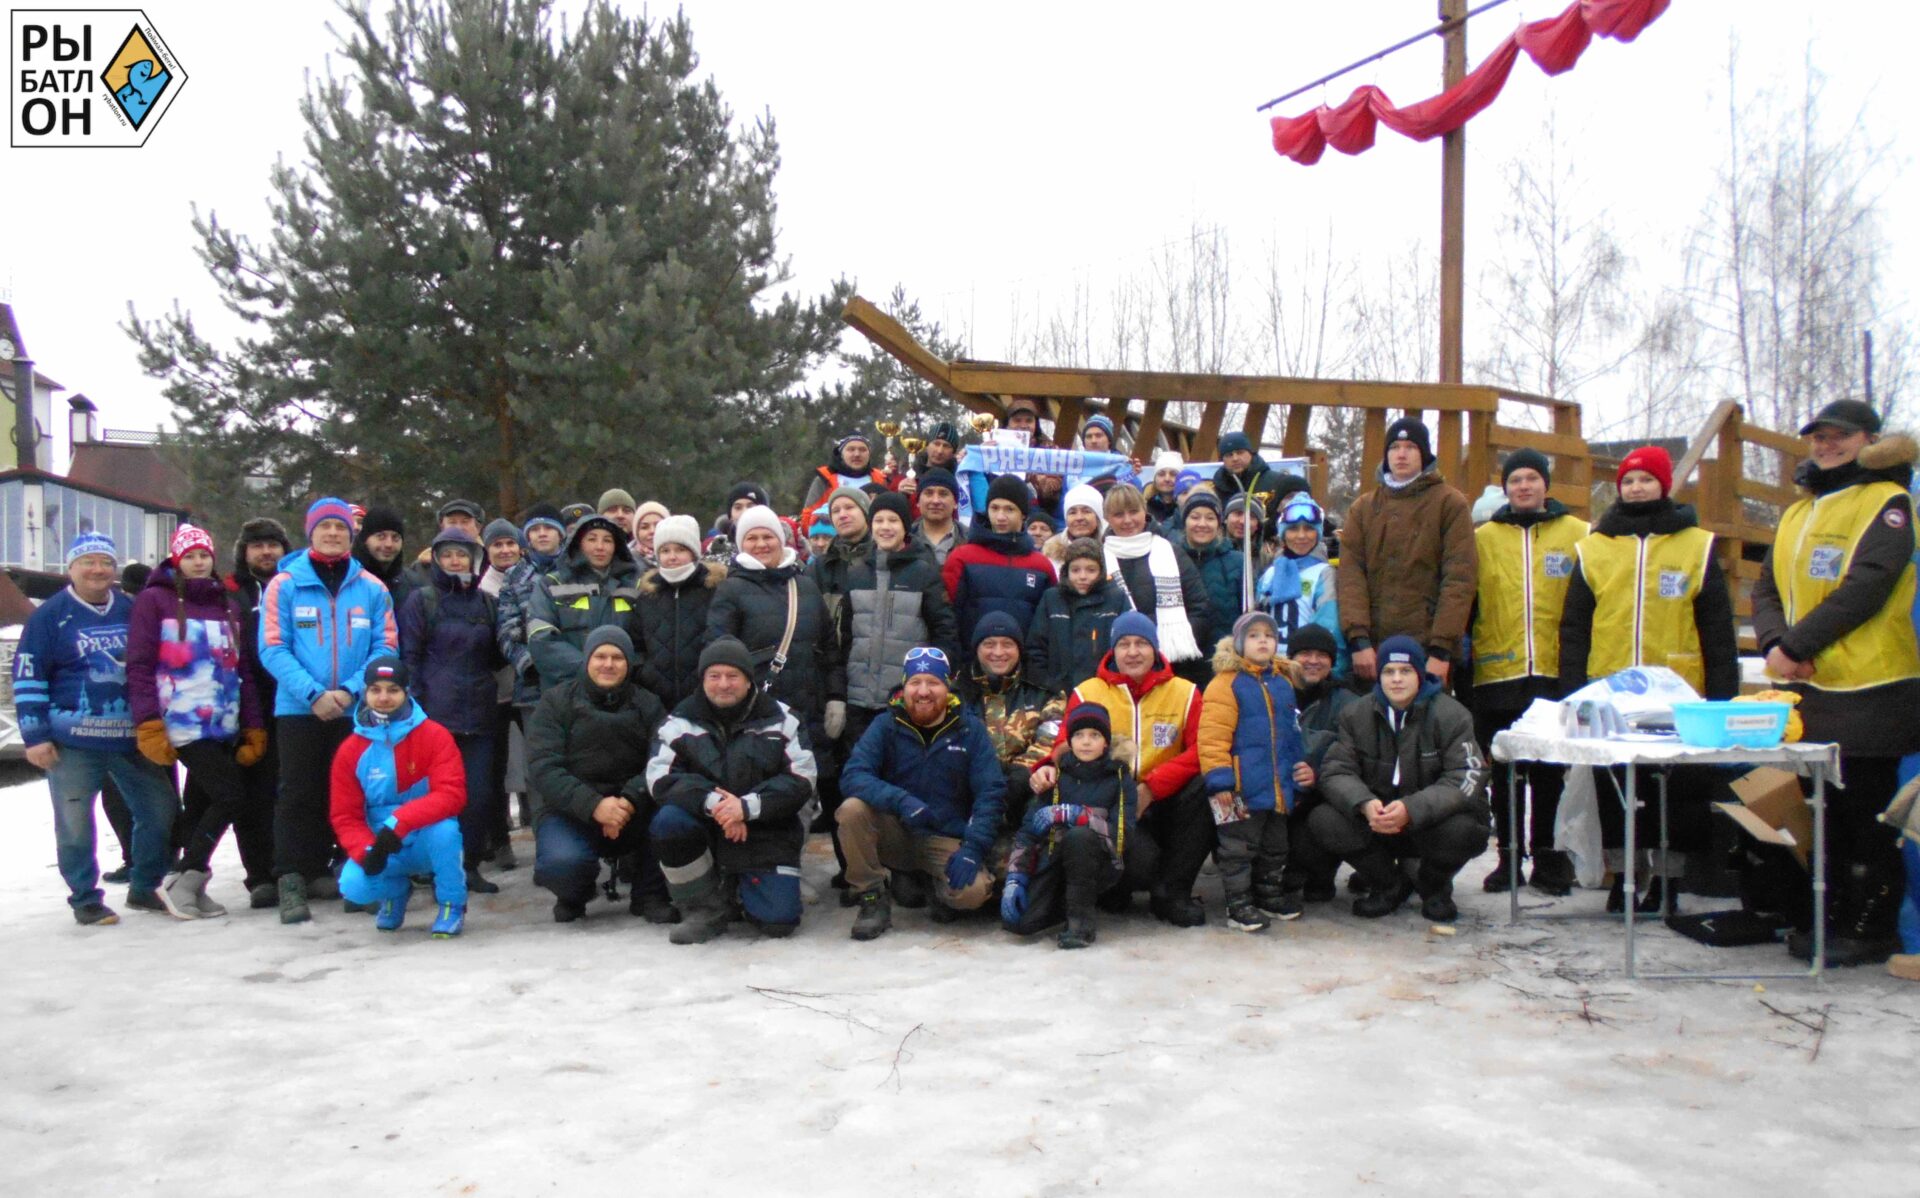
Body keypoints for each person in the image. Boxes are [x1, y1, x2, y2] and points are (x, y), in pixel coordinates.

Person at [1752, 402, 1920, 966]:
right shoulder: (1799, 511)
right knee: (1820, 809)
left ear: (1869, 439)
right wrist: (1775, 644)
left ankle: (1871, 925)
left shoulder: (1887, 503)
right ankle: (1828, 913)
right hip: (1808, 691)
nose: (1826, 445)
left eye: (1840, 437)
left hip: (1873, 688)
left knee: (1866, 814)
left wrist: (1798, 646)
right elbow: (1766, 587)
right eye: (1818, 438)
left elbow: (1870, 583)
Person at [1559, 445, 1738, 913]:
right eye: (1629, 481)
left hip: (1679, 691)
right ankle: (1624, 878)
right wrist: (1572, 691)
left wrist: (1723, 698)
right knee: (1615, 788)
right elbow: (1575, 627)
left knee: (1676, 789)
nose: (1636, 488)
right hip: (1608, 690)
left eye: (1646, 480)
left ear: (1665, 485)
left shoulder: (1697, 545)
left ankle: (1667, 881)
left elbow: (1717, 630)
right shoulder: (1595, 547)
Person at [14, 532, 179, 925]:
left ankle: (144, 885)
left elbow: (156, 665)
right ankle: (85, 897)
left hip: (131, 736)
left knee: (160, 809)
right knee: (74, 821)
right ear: (71, 568)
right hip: (73, 740)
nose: (97, 570)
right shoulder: (50, 616)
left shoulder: (132, 608)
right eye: (88, 562)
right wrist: (35, 735)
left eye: (105, 562)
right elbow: (28, 675)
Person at [261, 497, 399, 924]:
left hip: (356, 709)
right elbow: (272, 647)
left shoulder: (372, 587)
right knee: (298, 793)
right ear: (311, 533)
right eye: (326, 528)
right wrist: (314, 694)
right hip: (300, 709)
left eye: (341, 528)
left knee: (356, 794)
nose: (334, 534)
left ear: (351, 535)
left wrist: (350, 691)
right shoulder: (284, 584)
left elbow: (386, 645)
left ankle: (352, 875)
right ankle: (292, 877)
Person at [127, 525, 268, 920]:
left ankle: (189, 883)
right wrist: (148, 722)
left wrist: (252, 725)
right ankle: (186, 876)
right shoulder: (155, 600)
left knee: (203, 802)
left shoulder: (226, 603)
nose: (198, 562)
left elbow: (242, 671)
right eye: (189, 556)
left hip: (223, 722)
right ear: (176, 560)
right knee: (231, 795)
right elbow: (139, 665)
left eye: (204, 554)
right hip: (182, 722)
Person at [645, 637, 820, 944]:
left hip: (765, 829)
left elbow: (802, 778)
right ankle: (704, 906)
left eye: (732, 676)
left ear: (749, 679)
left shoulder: (783, 718)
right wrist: (715, 804)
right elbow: (660, 778)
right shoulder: (678, 721)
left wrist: (746, 808)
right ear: (703, 679)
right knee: (668, 822)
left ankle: (741, 892)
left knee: (778, 923)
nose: (723, 684)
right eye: (714, 676)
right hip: (707, 829)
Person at [1469, 448, 1588, 895]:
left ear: (1545, 485)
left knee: (1548, 772)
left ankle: (1549, 858)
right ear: (1505, 487)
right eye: (1515, 479)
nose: (1523, 486)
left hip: (1555, 673)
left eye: (1532, 478)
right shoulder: (1484, 538)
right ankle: (1508, 859)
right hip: (1497, 673)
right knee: (1505, 773)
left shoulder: (1578, 534)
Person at [1314, 636, 1491, 923]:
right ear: (1379, 675)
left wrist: (1412, 809)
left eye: (1405, 671)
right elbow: (1336, 770)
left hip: (1428, 823)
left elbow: (1466, 775)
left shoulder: (1452, 715)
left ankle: (1433, 886)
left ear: (1419, 675)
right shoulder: (1356, 714)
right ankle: (1388, 884)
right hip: (1379, 820)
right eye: (1389, 671)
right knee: (1324, 819)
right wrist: (1364, 803)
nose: (1396, 679)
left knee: (1467, 830)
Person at [838, 647, 1006, 938]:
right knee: (852, 810)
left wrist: (973, 848)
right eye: (915, 683)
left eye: (933, 683)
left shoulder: (970, 730)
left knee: (972, 894)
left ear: (947, 686)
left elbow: (990, 792)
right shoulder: (885, 724)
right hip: (896, 830)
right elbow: (854, 775)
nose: (924, 692)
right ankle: (872, 897)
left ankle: (927, 885)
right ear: (904, 687)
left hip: (945, 836)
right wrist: (900, 800)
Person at [1060, 611, 1214, 927]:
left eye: (1142, 643)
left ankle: (1173, 893)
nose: (1132, 652)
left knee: (1207, 784)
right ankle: (1116, 886)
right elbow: (1063, 748)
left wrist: (1153, 786)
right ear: (1112, 651)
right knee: (1140, 863)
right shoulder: (1088, 692)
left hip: (1166, 796)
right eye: (1124, 644)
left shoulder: (1184, 692)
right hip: (1114, 800)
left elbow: (1203, 749)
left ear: (1156, 650)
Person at [527, 627, 673, 923]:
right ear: (587, 660)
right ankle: (574, 893)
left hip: (633, 807)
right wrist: (594, 806)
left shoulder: (648, 704)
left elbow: (662, 760)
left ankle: (649, 894)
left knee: (672, 818)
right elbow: (544, 767)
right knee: (562, 862)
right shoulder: (556, 703)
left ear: (629, 663)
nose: (608, 664)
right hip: (572, 810)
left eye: (617, 657)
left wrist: (629, 801)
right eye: (600, 656)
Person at [400, 526, 506, 895]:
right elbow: (409, 657)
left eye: (463, 554)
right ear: (437, 559)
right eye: (448, 555)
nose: (456, 561)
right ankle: (432, 866)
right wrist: (414, 709)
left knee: (477, 797)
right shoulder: (421, 601)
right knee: (434, 797)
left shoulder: (487, 604)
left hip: (480, 714)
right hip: (434, 717)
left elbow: (496, 655)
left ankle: (469, 864)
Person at [330, 657, 468, 937]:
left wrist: (400, 821)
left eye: (392, 690)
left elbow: (452, 794)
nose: (383, 697)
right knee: (353, 886)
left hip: (423, 836)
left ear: (406, 692)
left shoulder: (434, 735)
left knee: (446, 832)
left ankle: (452, 904)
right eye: (375, 689)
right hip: (381, 842)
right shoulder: (351, 750)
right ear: (365, 693)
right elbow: (346, 815)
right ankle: (396, 892)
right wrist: (368, 851)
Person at [1337, 417, 1478, 686]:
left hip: (1428, 648)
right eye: (1394, 447)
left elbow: (1459, 579)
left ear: (1424, 454)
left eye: (1411, 447)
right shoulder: (1364, 508)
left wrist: (1441, 650)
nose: (1401, 454)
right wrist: (1359, 640)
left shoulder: (1450, 503)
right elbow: (1350, 576)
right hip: (1375, 649)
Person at [1198, 611, 1308, 931]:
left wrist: (1298, 772)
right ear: (1239, 643)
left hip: (1275, 785)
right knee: (1236, 848)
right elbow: (1212, 737)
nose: (1263, 641)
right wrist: (1220, 780)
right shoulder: (1225, 684)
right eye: (1255, 635)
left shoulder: (1283, 683)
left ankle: (1267, 894)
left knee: (1276, 845)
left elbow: (1292, 732)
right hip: (1235, 787)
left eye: (1269, 635)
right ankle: (1238, 903)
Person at [706, 504, 843, 756]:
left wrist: (836, 697)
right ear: (741, 544)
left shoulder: (806, 587)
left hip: (810, 712)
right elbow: (718, 654)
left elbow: (829, 651)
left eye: (768, 536)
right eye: (752, 538)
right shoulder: (730, 590)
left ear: (780, 541)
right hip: (757, 715)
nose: (761, 544)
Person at [1001, 703, 1134, 949]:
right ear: (1069, 741)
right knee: (1021, 924)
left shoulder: (1119, 778)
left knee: (1079, 837)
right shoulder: (1057, 775)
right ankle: (1061, 906)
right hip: (1056, 860)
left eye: (1094, 735)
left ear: (1106, 742)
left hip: (1100, 863)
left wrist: (1079, 816)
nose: (1086, 742)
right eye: (1078, 735)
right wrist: (1015, 877)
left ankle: (1080, 923)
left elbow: (1122, 833)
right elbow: (1028, 831)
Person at [840, 492, 959, 748]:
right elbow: (845, 637)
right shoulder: (857, 573)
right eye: (879, 521)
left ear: (905, 526)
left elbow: (944, 631)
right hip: (858, 698)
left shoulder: (923, 572)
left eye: (892, 520)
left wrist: (930, 682)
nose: (885, 527)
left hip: (906, 698)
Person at [223, 516, 293, 908]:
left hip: (295, 699)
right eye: (258, 546)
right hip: (248, 705)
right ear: (244, 553)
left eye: (273, 545)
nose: (267, 552)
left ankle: (295, 865)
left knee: (293, 789)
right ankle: (259, 874)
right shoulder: (232, 592)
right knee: (254, 792)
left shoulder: (294, 585)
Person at [954, 611, 1066, 820]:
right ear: (976, 648)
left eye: (1007, 644)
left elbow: (1051, 737)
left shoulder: (1044, 689)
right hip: (970, 788)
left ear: (1019, 649)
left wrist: (1019, 777)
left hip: (1027, 786)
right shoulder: (956, 690)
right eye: (989, 644)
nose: (998, 652)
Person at [1102, 484, 1213, 684]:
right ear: (1107, 518)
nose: (1127, 520)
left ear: (1145, 512)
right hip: (1115, 670)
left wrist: (1154, 649)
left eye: (1134, 512)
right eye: (1119, 514)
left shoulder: (1172, 552)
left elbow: (1199, 609)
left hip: (1171, 668)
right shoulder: (1098, 559)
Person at [1281, 623, 1359, 902]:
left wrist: (1318, 775)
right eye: (1304, 653)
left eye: (1321, 655)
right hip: (1276, 797)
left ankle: (1320, 872)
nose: (1313, 661)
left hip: (1318, 800)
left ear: (1332, 661)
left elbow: (1355, 758)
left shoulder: (1349, 704)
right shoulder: (1272, 694)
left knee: (1322, 824)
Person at [526, 513, 642, 695]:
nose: (600, 547)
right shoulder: (552, 584)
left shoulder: (635, 586)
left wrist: (620, 672)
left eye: (607, 540)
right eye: (592, 539)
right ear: (578, 543)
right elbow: (541, 637)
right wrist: (589, 669)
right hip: (566, 692)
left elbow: (646, 642)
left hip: (623, 692)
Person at [942, 474, 1056, 649]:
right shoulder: (962, 557)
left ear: (1024, 514)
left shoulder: (1041, 566)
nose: (1001, 516)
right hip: (971, 663)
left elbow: (1048, 624)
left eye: (1009, 509)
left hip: (1026, 666)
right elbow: (947, 618)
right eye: (994, 508)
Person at [631, 514, 725, 712]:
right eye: (665, 550)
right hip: (656, 701)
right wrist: (646, 675)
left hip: (705, 699)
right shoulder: (647, 595)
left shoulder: (716, 590)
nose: (672, 557)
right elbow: (636, 645)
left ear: (693, 552)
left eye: (680, 549)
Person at [1026, 536, 1128, 693]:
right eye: (1075, 570)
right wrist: (1050, 686)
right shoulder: (1052, 598)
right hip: (1058, 694)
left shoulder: (1116, 598)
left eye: (1091, 570)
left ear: (1102, 571)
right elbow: (1036, 648)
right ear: (1066, 571)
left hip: (1105, 692)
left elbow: (1125, 647)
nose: (1082, 576)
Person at [1257, 494, 1343, 669]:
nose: (1301, 536)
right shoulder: (1270, 574)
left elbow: (1328, 628)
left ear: (1318, 533)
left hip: (1306, 669)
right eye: (1293, 529)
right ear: (1283, 533)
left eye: (1309, 529)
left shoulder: (1324, 574)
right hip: (1270, 669)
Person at [496, 503, 566, 715]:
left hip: (575, 682)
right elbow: (506, 630)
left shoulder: (576, 570)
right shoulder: (515, 575)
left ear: (560, 534)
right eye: (535, 530)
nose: (542, 534)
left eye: (548, 528)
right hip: (532, 689)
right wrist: (530, 664)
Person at [1177, 490, 1245, 633]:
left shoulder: (1238, 562)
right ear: (1185, 521)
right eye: (1195, 517)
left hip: (1225, 652)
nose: (1202, 524)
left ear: (1219, 523)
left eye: (1210, 518)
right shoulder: (1171, 560)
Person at [801, 432, 894, 532]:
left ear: (869, 454)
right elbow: (808, 517)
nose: (857, 454)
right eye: (851, 449)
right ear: (841, 454)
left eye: (862, 450)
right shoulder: (824, 479)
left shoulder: (880, 479)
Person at [1211, 432, 1289, 539]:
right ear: (1223, 460)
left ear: (1250, 453)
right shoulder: (1216, 489)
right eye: (1229, 455)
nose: (1235, 458)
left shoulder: (1277, 482)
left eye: (1240, 452)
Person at [810, 485, 872, 618]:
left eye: (849, 507)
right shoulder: (819, 568)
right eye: (836, 511)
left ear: (865, 512)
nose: (842, 515)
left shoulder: (884, 559)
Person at [401, 499, 486, 595]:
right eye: (452, 522)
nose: (458, 528)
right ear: (442, 527)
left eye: (465, 522)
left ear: (478, 527)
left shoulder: (491, 563)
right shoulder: (423, 567)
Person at [352, 505, 415, 611]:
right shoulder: (347, 580)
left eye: (395, 538)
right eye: (381, 537)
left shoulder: (413, 585)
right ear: (365, 539)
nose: (389, 544)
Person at [912, 467, 967, 566]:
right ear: (918, 502)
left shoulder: (970, 540)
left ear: (955, 502)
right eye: (929, 493)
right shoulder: (905, 539)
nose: (935, 501)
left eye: (943, 494)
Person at [1042, 483, 1106, 565]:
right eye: (1072, 512)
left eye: (1086, 511)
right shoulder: (1051, 554)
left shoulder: (1111, 549)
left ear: (1098, 517)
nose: (1079, 517)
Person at [1146, 451, 1184, 531]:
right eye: (1161, 474)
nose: (1167, 479)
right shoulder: (1146, 509)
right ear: (1154, 479)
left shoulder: (1187, 507)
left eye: (1173, 474)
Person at [630, 501, 669, 567]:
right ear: (636, 532)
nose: (652, 531)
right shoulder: (627, 561)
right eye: (644, 527)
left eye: (657, 525)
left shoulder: (683, 557)